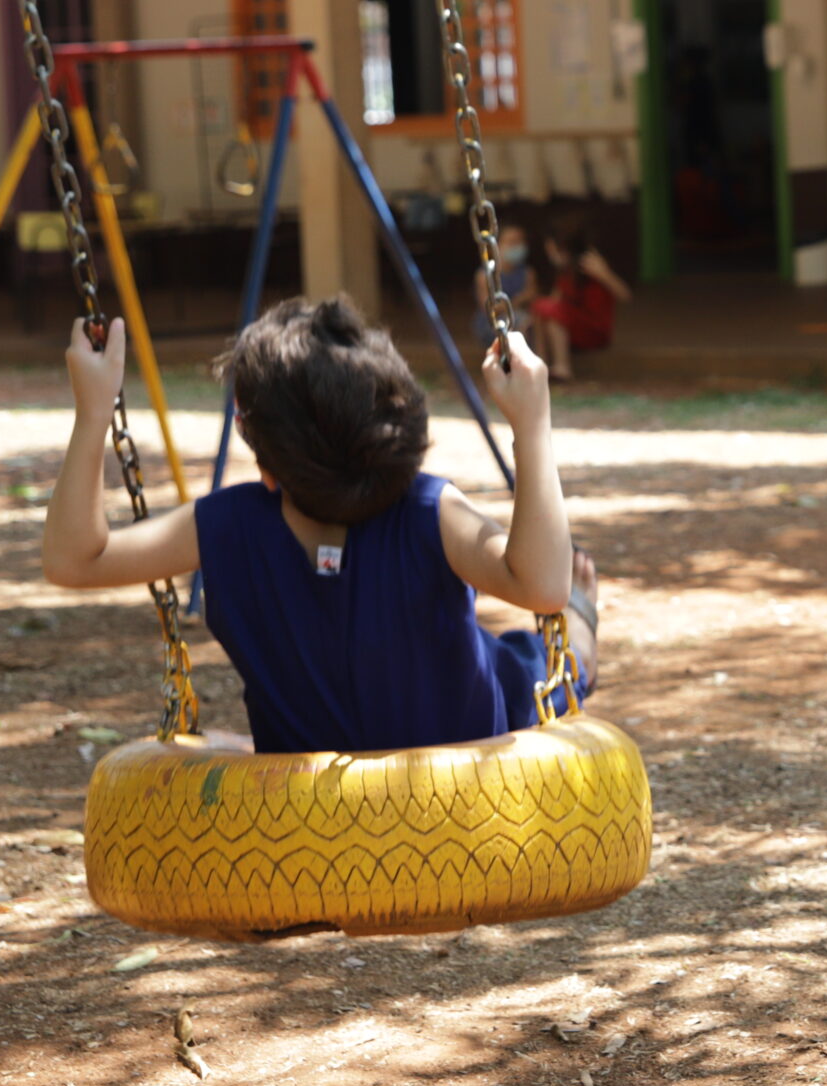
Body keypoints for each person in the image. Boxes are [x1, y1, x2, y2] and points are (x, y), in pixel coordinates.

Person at [40, 296, 600, 755]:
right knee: (544, 630)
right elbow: (539, 586)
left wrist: (94, 412)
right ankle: (579, 622)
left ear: (262, 455)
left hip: (458, 717)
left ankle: (580, 628)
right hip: (461, 733)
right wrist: (532, 423)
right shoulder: (430, 512)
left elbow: (73, 560)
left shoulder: (228, 526)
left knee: (540, 660)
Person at [527, 211, 632, 382]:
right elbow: (555, 301)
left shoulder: (589, 264)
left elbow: (625, 295)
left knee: (545, 307)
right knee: (541, 308)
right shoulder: (565, 271)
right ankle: (541, 364)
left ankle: (562, 367)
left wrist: (604, 274)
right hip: (575, 330)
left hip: (595, 332)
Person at [473, 222, 541, 354]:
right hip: (493, 325)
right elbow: (491, 310)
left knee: (535, 319)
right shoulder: (484, 276)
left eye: (520, 241)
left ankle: (540, 360)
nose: (517, 246)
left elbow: (534, 297)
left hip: (525, 320)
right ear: (496, 246)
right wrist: (519, 299)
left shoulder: (528, 273)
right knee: (522, 322)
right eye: (511, 242)